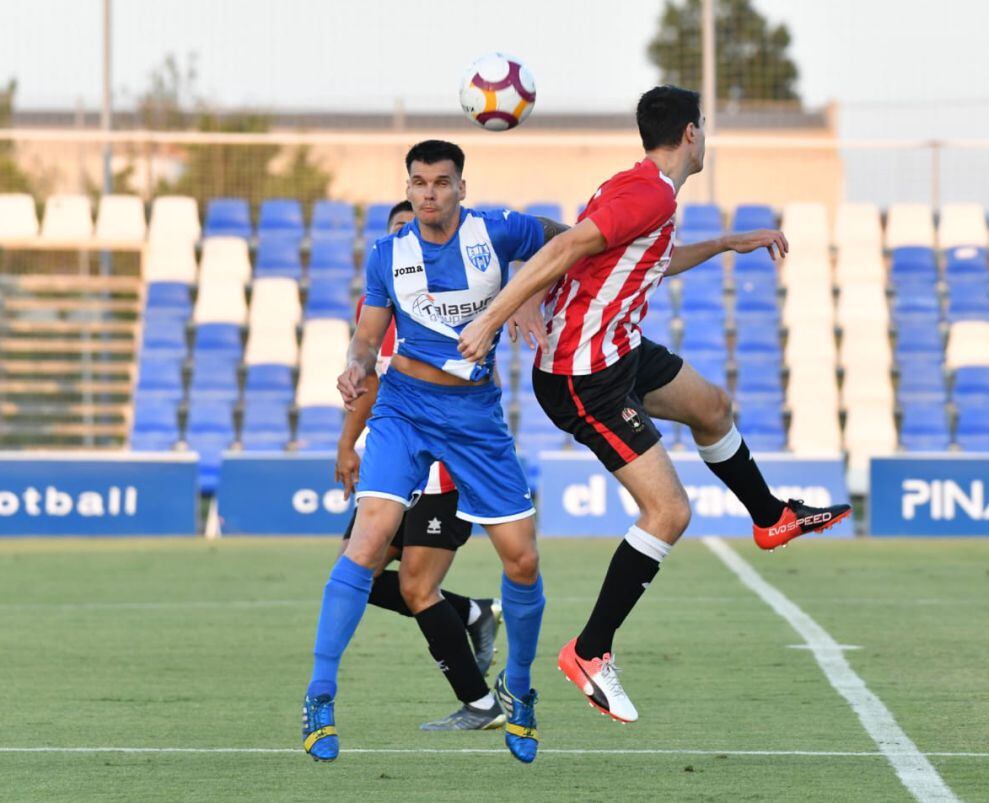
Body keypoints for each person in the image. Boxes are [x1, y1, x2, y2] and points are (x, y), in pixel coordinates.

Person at [458, 85, 851, 725]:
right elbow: (561, 249)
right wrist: (492, 320)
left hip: (621, 349)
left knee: (713, 407)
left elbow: (652, 264)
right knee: (668, 512)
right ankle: (589, 652)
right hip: (586, 376)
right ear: (691, 133)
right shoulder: (643, 192)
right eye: (706, 127)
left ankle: (771, 515)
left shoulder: (645, 189)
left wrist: (727, 243)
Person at [302, 140, 565, 765]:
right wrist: (354, 368)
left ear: (461, 188)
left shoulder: (501, 231)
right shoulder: (386, 255)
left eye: (441, 183)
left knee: (522, 560)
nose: (428, 194)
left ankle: (519, 690)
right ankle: (319, 696)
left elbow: (572, 240)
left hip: (475, 418)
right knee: (367, 544)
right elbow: (368, 341)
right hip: (404, 408)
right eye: (418, 183)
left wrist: (528, 289)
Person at [332, 199, 503, 733]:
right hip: (393, 468)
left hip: (443, 471)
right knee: (354, 572)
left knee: (414, 589)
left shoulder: (460, 301)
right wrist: (348, 444)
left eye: (417, 232)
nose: (409, 243)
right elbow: (369, 381)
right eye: (397, 235)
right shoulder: (378, 306)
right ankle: (475, 613)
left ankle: (481, 705)